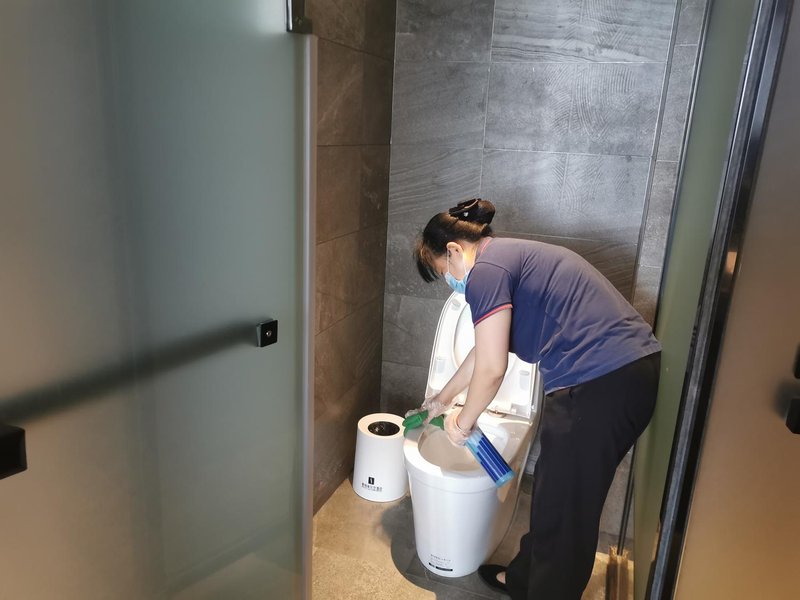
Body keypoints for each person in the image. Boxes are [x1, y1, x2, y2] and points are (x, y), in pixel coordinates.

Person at [410, 198, 661, 600]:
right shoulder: (505, 258)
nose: (451, 281)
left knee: (565, 514)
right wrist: (443, 398)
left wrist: (463, 423)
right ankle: (523, 581)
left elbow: (492, 369)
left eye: (445, 271)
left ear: (454, 249)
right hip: (618, 376)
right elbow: (480, 352)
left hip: (600, 383)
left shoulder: (486, 271)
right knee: (554, 496)